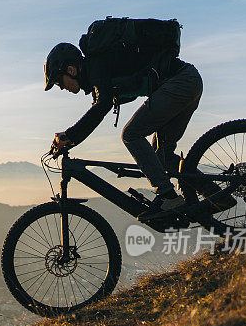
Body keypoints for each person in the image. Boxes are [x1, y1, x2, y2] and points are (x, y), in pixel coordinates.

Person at [44, 40, 203, 217]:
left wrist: (70, 135)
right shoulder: (97, 72)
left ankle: (169, 197)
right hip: (188, 80)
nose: (62, 88)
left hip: (180, 82)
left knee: (131, 134)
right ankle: (217, 198)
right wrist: (71, 138)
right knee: (161, 156)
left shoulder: (96, 67)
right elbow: (100, 106)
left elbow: (101, 107)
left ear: (71, 70)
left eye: (59, 82)